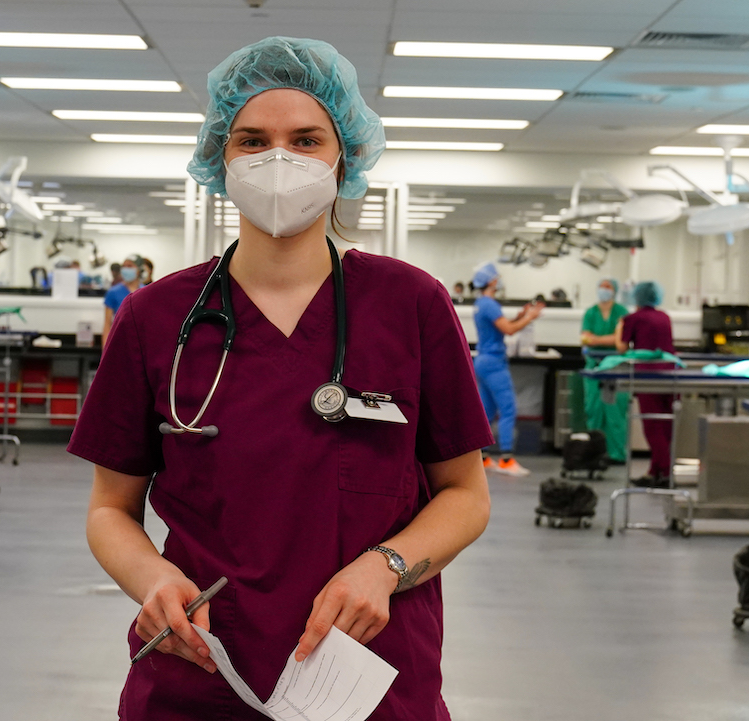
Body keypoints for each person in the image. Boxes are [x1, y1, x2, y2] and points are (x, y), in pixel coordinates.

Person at [68, 37, 492, 720]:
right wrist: (152, 580)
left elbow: (466, 495)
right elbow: (109, 507)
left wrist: (386, 564)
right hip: (201, 667)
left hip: (371, 677)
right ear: (220, 157)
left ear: (342, 157)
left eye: (305, 140)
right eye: (252, 140)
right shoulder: (157, 316)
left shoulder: (412, 304)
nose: (278, 161)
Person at [470, 261, 542, 477]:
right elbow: (508, 330)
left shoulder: (481, 303)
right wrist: (530, 317)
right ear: (492, 280)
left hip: (483, 360)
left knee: (487, 411)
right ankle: (507, 459)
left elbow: (501, 326)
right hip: (494, 363)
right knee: (508, 409)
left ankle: (482, 457)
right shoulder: (490, 304)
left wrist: (521, 316)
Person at [616, 280, 676, 488]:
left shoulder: (633, 318)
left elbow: (622, 348)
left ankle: (667, 473)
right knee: (666, 425)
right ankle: (655, 471)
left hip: (648, 377)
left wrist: (619, 327)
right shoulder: (664, 317)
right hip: (671, 376)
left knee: (652, 426)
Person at [576, 277, 630, 463]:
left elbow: (620, 340)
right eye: (601, 286)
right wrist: (610, 339)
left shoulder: (622, 312)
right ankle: (594, 453)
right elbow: (585, 338)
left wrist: (595, 339)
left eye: (607, 287)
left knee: (616, 411)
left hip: (616, 366)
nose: (603, 290)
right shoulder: (591, 312)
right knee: (593, 408)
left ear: (614, 290)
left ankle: (616, 454)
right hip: (594, 366)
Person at [101, 254, 142, 349]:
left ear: (139, 270)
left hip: (140, 343)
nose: (126, 269)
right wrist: (105, 349)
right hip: (120, 341)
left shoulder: (146, 291)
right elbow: (107, 324)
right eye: (124, 266)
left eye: (130, 266)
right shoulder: (113, 292)